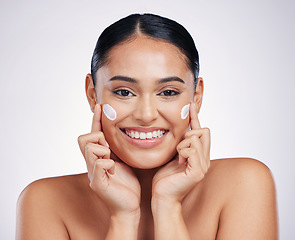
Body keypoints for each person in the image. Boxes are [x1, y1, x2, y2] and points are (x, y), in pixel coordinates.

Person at [16, 13, 278, 240]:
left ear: (196, 97)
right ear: (92, 95)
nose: (146, 115)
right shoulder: (44, 202)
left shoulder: (244, 184)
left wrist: (168, 207)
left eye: (167, 92)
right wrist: (123, 218)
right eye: (124, 92)